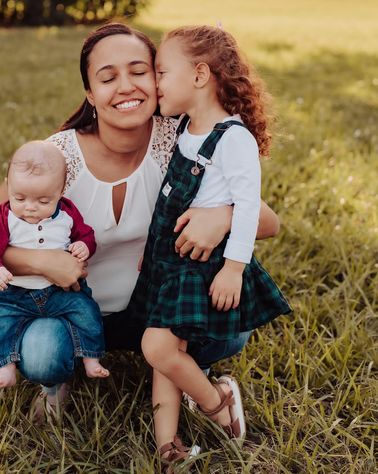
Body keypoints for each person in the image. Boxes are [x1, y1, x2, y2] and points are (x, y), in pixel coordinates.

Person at [0, 23, 281, 423]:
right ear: (90, 93)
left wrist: (221, 215)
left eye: (140, 72)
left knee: (229, 323)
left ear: (160, 78)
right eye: (108, 77)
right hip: (71, 306)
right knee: (41, 354)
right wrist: (41, 262)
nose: (126, 87)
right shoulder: (58, 157)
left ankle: (194, 377)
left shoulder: (180, 139)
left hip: (155, 311)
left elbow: (266, 221)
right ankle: (60, 379)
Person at [128, 25, 292, 466]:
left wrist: (234, 269)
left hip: (202, 268)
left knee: (157, 347)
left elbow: (247, 207)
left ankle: (217, 401)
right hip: (170, 260)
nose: (155, 83)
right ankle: (168, 443)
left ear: (199, 75)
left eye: (162, 72)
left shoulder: (232, 138)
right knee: (167, 354)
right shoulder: (184, 126)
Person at [0, 140, 110, 393]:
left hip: (62, 292)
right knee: (2, 323)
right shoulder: (5, 217)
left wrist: (84, 246)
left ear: (61, 192)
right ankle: (6, 368)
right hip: (16, 295)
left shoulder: (68, 214)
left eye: (42, 200)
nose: (30, 207)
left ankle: (91, 357)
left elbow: (86, 235)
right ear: (8, 186)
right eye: (20, 197)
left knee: (87, 312)